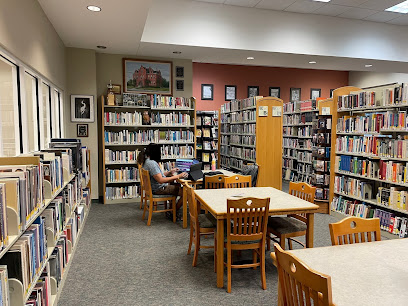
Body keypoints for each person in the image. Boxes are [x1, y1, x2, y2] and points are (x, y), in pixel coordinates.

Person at [137, 143, 188, 220]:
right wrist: (178, 176)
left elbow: (157, 176)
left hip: (155, 187)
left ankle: (172, 209)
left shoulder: (147, 161)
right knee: (186, 192)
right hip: (159, 189)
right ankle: (173, 212)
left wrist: (169, 172)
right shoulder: (152, 164)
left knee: (177, 187)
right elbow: (160, 180)